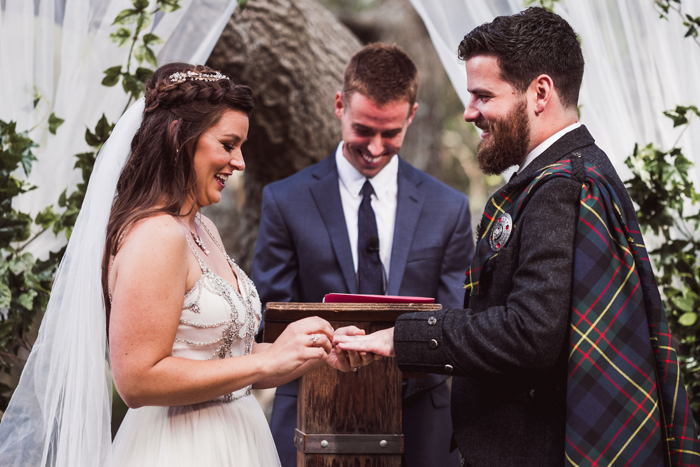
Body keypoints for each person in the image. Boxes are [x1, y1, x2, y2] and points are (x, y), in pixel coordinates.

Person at [336, 8, 700, 467]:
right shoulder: (573, 174)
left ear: (540, 92)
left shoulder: (563, 187)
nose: (470, 113)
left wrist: (404, 337)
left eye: (483, 96)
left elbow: (531, 334)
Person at [0, 63, 370, 467]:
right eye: (228, 144)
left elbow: (224, 364)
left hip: (238, 438)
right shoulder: (156, 236)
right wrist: (263, 360)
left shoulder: (203, 227)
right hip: (180, 447)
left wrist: (300, 350)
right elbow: (137, 379)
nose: (240, 162)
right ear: (179, 137)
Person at [251, 43, 472, 467]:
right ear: (339, 105)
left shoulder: (449, 208)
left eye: (390, 133)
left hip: (420, 423)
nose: (374, 147)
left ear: (411, 115)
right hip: (310, 415)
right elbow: (269, 314)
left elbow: (454, 318)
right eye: (363, 129)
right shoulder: (285, 200)